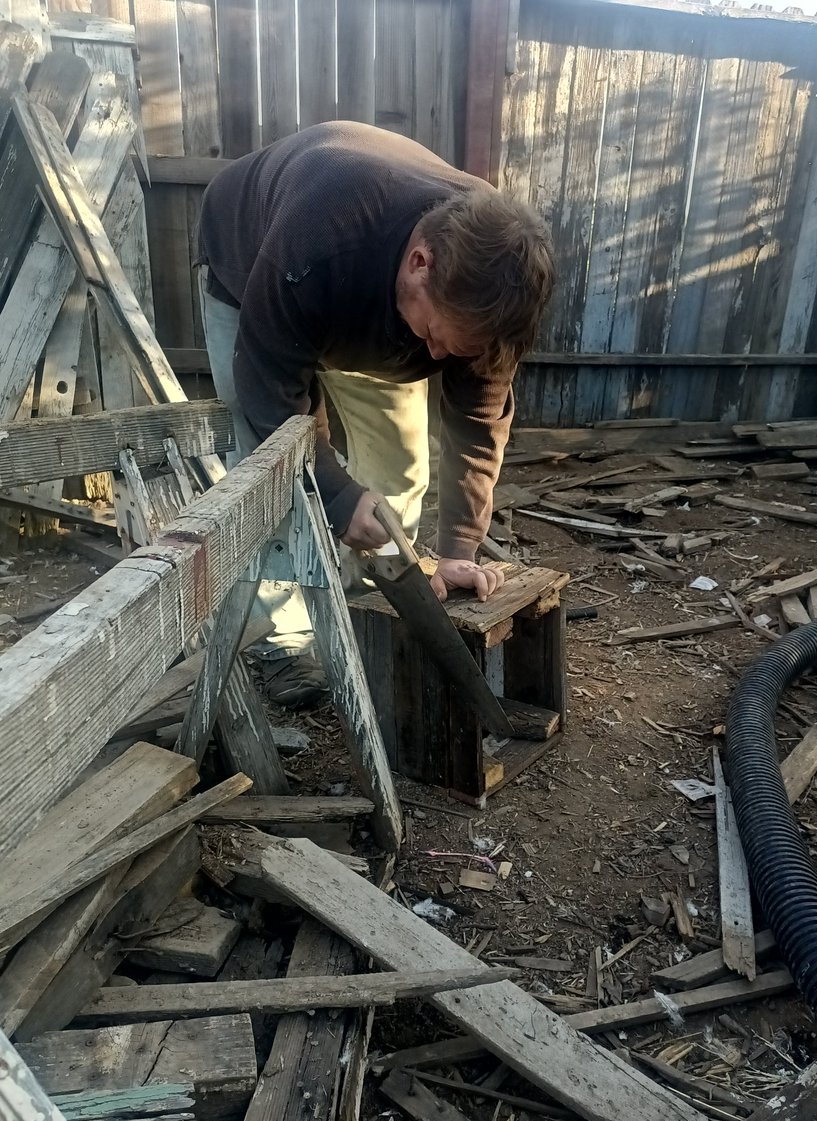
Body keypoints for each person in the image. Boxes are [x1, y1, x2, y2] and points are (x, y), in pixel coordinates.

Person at [195, 120, 555, 705]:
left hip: (366, 308)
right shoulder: (318, 236)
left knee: (402, 464)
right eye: (437, 336)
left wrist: (460, 550)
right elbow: (273, 399)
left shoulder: (487, 296)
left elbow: (477, 428)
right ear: (420, 262)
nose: (437, 359)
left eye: (454, 350)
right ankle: (281, 643)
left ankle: (381, 595)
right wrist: (336, 495)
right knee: (269, 473)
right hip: (254, 269)